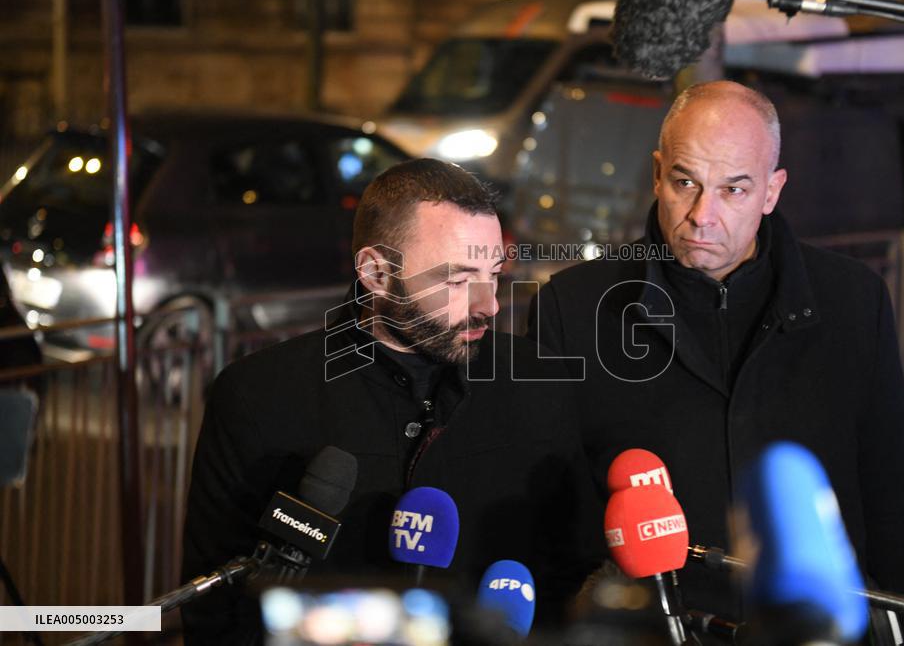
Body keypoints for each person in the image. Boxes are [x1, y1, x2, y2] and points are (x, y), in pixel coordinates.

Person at [528, 81, 904, 643]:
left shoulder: (854, 301)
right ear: (657, 173)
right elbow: (544, 508)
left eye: (734, 189)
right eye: (686, 183)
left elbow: (897, 501)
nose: (704, 215)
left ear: (772, 191)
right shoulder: (571, 307)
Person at [182, 158, 603, 644]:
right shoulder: (259, 396)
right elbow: (215, 608)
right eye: (458, 279)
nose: (487, 304)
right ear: (376, 272)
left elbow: (573, 564)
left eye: (493, 274)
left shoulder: (539, 381)